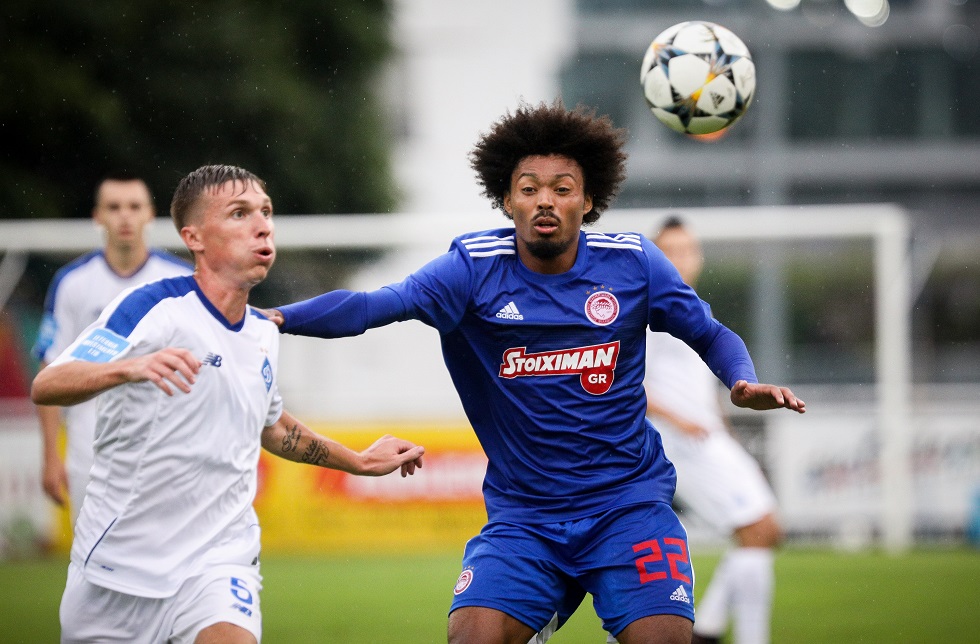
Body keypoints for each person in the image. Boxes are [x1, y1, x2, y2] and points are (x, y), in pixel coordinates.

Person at [265, 102, 804, 644]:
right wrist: (275, 319)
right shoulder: (470, 269)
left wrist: (740, 380)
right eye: (529, 188)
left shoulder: (633, 263)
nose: (545, 199)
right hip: (525, 517)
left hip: (628, 506)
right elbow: (369, 307)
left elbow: (711, 333)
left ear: (588, 201)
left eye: (562, 188)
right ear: (507, 199)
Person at [31, 165, 425, 644]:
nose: (262, 226)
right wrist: (130, 367)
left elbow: (274, 427)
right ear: (193, 237)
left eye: (266, 212)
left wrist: (357, 461)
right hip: (119, 571)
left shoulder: (262, 331)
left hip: (219, 562)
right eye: (239, 213)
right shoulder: (152, 308)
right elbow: (49, 383)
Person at [641, 217, 783, 644]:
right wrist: (678, 420)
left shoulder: (692, 307)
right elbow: (625, 381)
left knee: (765, 530)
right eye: (670, 251)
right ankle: (731, 633)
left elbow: (698, 381)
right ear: (656, 257)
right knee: (757, 528)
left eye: (688, 250)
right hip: (682, 443)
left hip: (710, 438)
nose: (681, 259)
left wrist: (722, 426)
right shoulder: (647, 310)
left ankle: (707, 630)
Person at [32, 172, 193, 524]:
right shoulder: (71, 283)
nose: (125, 216)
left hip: (165, 450)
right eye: (114, 207)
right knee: (94, 553)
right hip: (89, 448)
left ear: (150, 214)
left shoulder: (180, 281)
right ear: (98, 216)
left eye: (134, 207)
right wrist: (50, 456)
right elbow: (49, 368)